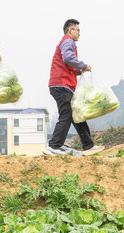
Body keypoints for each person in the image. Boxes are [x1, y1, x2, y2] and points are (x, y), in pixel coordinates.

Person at [44, 19, 104, 156]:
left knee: (76, 115)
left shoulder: (67, 42)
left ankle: (88, 145)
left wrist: (78, 71)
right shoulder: (67, 41)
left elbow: (68, 64)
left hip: (62, 85)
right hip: (61, 85)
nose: (79, 34)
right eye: (78, 30)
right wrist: (83, 66)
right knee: (66, 114)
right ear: (70, 30)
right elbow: (68, 58)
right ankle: (54, 145)